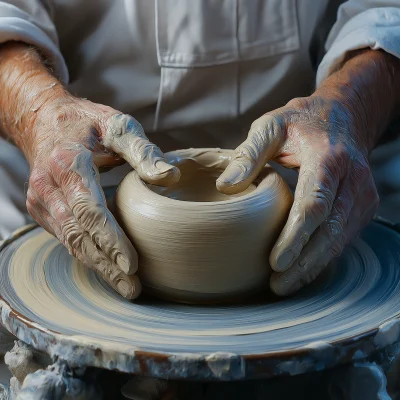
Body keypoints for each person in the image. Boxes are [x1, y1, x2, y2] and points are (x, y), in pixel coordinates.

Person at [0, 0, 399, 299]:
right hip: (75, 191)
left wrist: (354, 108)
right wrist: (39, 116)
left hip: (319, 188)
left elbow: (386, 13)